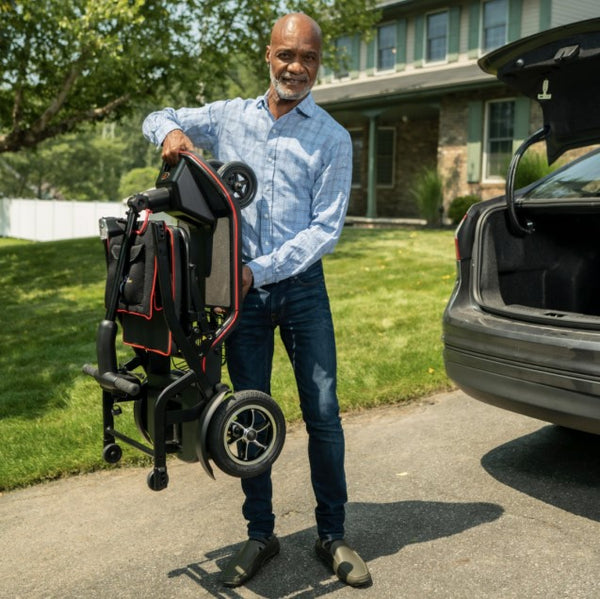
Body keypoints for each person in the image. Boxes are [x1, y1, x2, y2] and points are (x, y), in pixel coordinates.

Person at [142, 12, 371, 589]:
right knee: (247, 412)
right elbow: (160, 115)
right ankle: (260, 534)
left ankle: (333, 535)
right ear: (268, 56)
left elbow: (325, 230)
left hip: (299, 292)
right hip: (236, 298)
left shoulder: (333, 139)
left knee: (322, 412)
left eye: (308, 58)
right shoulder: (228, 117)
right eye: (286, 55)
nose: (296, 67)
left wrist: (257, 270)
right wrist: (169, 136)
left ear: (320, 63)